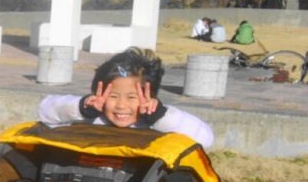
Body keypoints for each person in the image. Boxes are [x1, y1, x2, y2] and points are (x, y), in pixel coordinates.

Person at [37, 47, 214, 147]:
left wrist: (161, 116)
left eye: (131, 97)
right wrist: (81, 108)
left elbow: (205, 139)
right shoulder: (92, 118)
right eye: (113, 96)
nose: (121, 106)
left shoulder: (154, 125)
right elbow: (45, 112)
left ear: (150, 95)